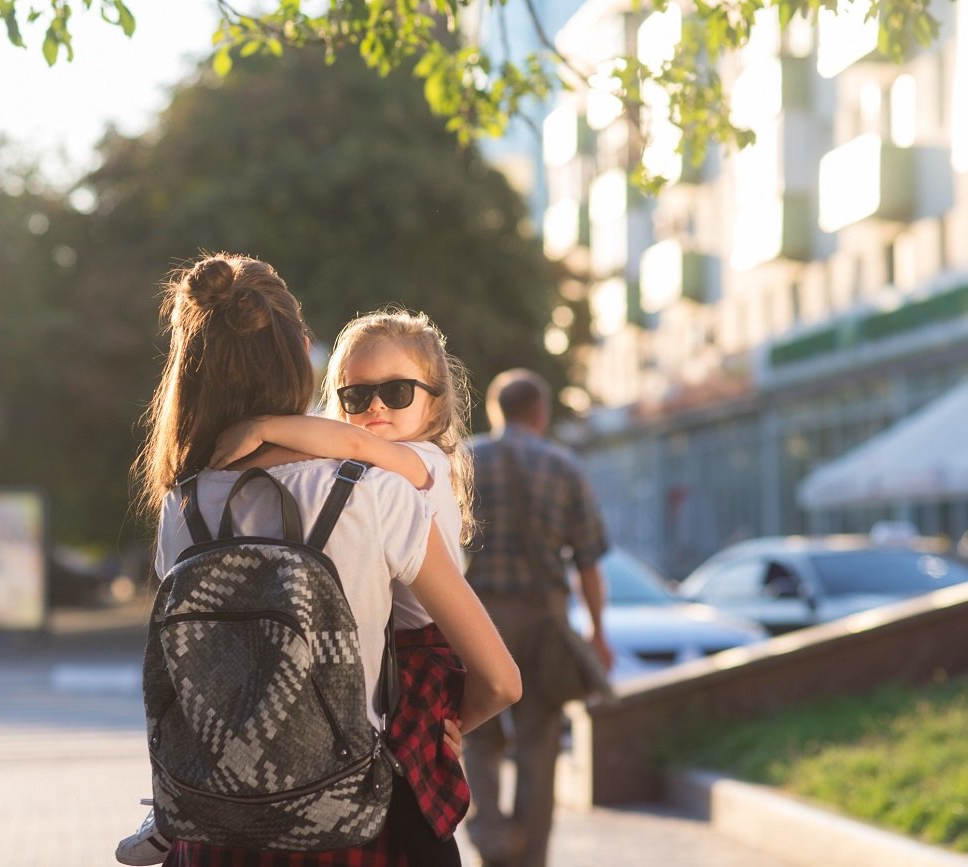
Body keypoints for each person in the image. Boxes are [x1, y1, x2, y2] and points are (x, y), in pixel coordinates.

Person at [124, 254, 521, 867]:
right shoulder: (376, 490)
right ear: (303, 361)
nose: (375, 407)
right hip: (345, 817)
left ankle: (159, 808)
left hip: (213, 822)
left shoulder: (182, 505)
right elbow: (500, 680)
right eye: (357, 395)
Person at [205, 308, 477, 865]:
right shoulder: (367, 474)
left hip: (419, 655)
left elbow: (351, 448)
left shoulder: (420, 461)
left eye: (397, 391)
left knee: (397, 811)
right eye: (356, 396)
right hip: (397, 652)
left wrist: (263, 429)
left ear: (435, 402)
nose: (375, 406)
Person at [461, 368, 612, 867]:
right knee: (539, 742)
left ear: (497, 410)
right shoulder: (564, 466)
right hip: (546, 621)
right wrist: (597, 632)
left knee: (477, 732)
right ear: (541, 412)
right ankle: (530, 854)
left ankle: (492, 837)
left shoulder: (464, 461)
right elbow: (588, 561)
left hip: (479, 619)